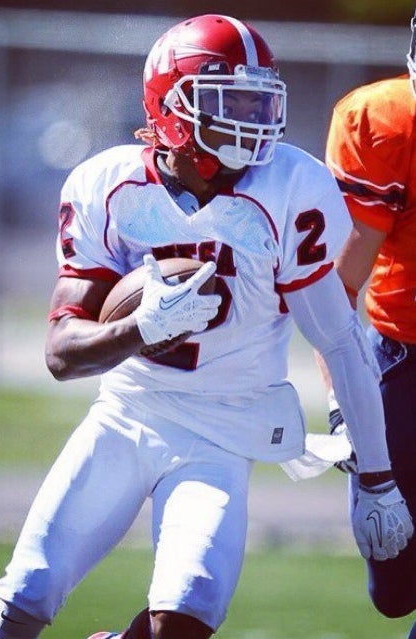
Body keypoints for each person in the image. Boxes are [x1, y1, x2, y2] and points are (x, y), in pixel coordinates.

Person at [0, 13, 413, 639]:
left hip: (223, 432)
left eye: (262, 101)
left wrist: (378, 478)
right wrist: (139, 329)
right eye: (233, 102)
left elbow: (339, 340)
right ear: (172, 106)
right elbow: (62, 353)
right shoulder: (109, 184)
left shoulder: (290, 188)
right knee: (25, 596)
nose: (253, 122)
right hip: (128, 415)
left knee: (190, 613)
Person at [316, 7, 416, 639]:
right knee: (394, 587)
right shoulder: (387, 122)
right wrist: (340, 406)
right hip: (400, 355)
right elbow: (335, 290)